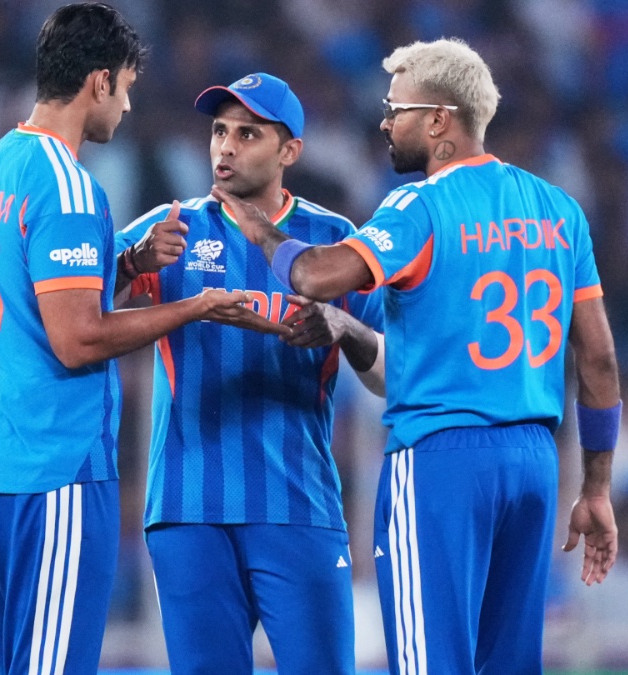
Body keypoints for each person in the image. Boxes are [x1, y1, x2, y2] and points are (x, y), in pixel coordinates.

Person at [213, 39, 621, 674]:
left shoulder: (419, 206)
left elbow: (317, 275)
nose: (384, 123)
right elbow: (598, 361)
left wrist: (260, 229)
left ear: (438, 121)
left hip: (441, 460)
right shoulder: (558, 209)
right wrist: (595, 488)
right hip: (535, 464)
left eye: (394, 109)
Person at [0, 5, 275, 674]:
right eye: (125, 88)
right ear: (99, 82)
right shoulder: (69, 187)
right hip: (58, 469)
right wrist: (194, 307)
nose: (126, 107)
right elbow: (78, 340)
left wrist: (122, 268)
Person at [113, 73, 385, 674]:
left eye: (248, 134)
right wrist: (131, 262)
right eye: (219, 131)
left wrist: (346, 328)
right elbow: (77, 312)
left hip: (297, 504)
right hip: (189, 508)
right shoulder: (171, 229)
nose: (226, 147)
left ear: (290, 151)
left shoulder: (333, 240)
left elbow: (393, 375)